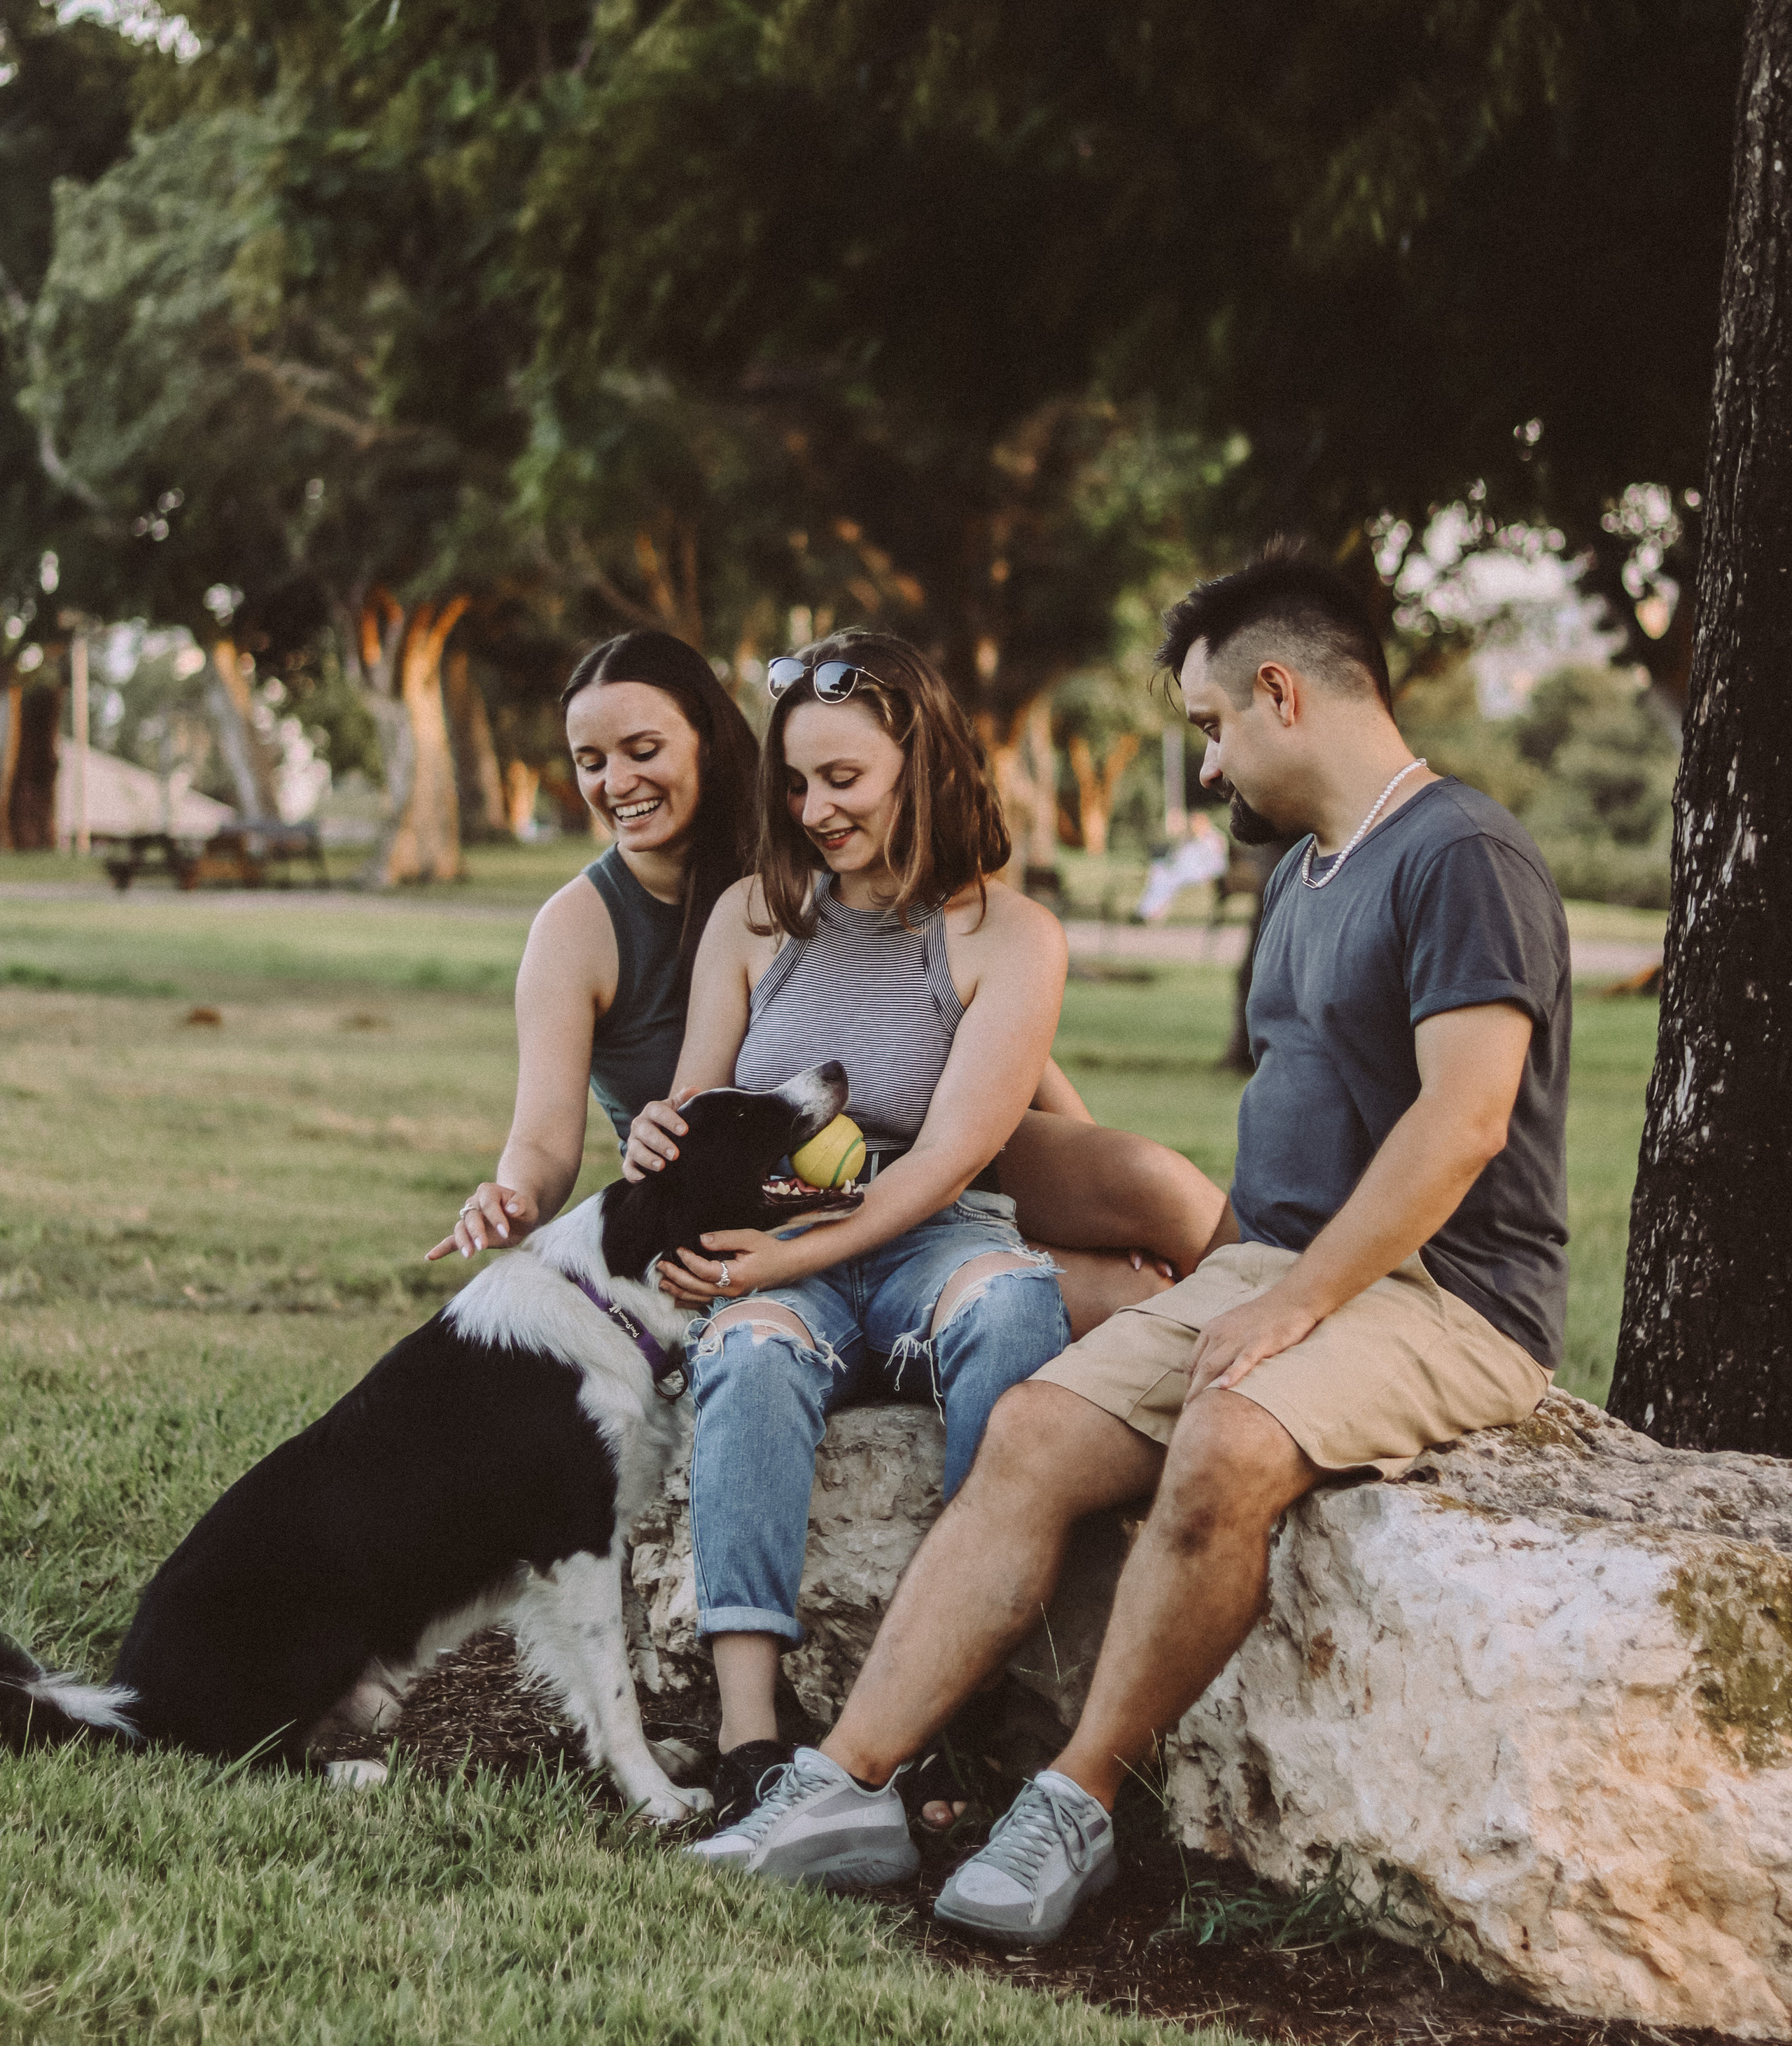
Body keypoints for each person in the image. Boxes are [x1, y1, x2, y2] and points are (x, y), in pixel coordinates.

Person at [705, 552, 1569, 1940]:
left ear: (1278, 691)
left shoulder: (1458, 854)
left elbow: (1462, 1125)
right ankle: (840, 1788)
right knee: (1036, 1429)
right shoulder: (1301, 876)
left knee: (1229, 1440)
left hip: (1444, 1296)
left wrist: (1296, 1301)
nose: (1208, 764)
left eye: (1211, 726)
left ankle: (1077, 1798)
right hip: (1281, 1267)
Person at [622, 630, 1226, 1843]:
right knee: (747, 1355)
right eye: (796, 783)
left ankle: (961, 1709)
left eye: (843, 779)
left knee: (1008, 1301)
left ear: (921, 764)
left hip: (933, 1238)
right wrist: (660, 1138)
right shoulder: (752, 916)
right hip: (774, 1239)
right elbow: (703, 1104)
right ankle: (751, 1739)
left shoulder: (1010, 936)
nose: (813, 808)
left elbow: (954, 1156)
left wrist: (798, 1257)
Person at [427, 629, 759, 1266]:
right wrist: (512, 1198)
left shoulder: (793, 873)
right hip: (699, 1250)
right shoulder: (573, 930)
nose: (617, 782)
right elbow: (545, 1141)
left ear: (707, 741)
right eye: (592, 761)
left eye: (643, 750)